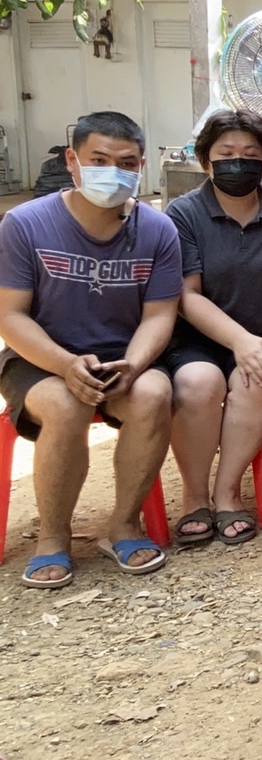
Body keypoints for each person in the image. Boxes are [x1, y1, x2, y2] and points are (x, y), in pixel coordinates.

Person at [0, 112, 180, 587]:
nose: (112, 172)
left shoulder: (158, 230)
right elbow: (11, 316)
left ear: (141, 166)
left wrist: (135, 364)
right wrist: (63, 364)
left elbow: (159, 315)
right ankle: (52, 538)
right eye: (98, 160)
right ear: (72, 161)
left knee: (154, 394)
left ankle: (123, 525)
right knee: (65, 405)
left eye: (126, 163)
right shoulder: (24, 224)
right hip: (40, 359)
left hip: (122, 357)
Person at [163, 110, 262, 545]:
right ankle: (194, 495)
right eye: (227, 154)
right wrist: (239, 340)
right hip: (196, 341)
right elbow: (187, 295)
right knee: (198, 383)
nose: (239, 163)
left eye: (250, 154)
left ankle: (228, 492)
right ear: (205, 161)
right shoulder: (183, 214)